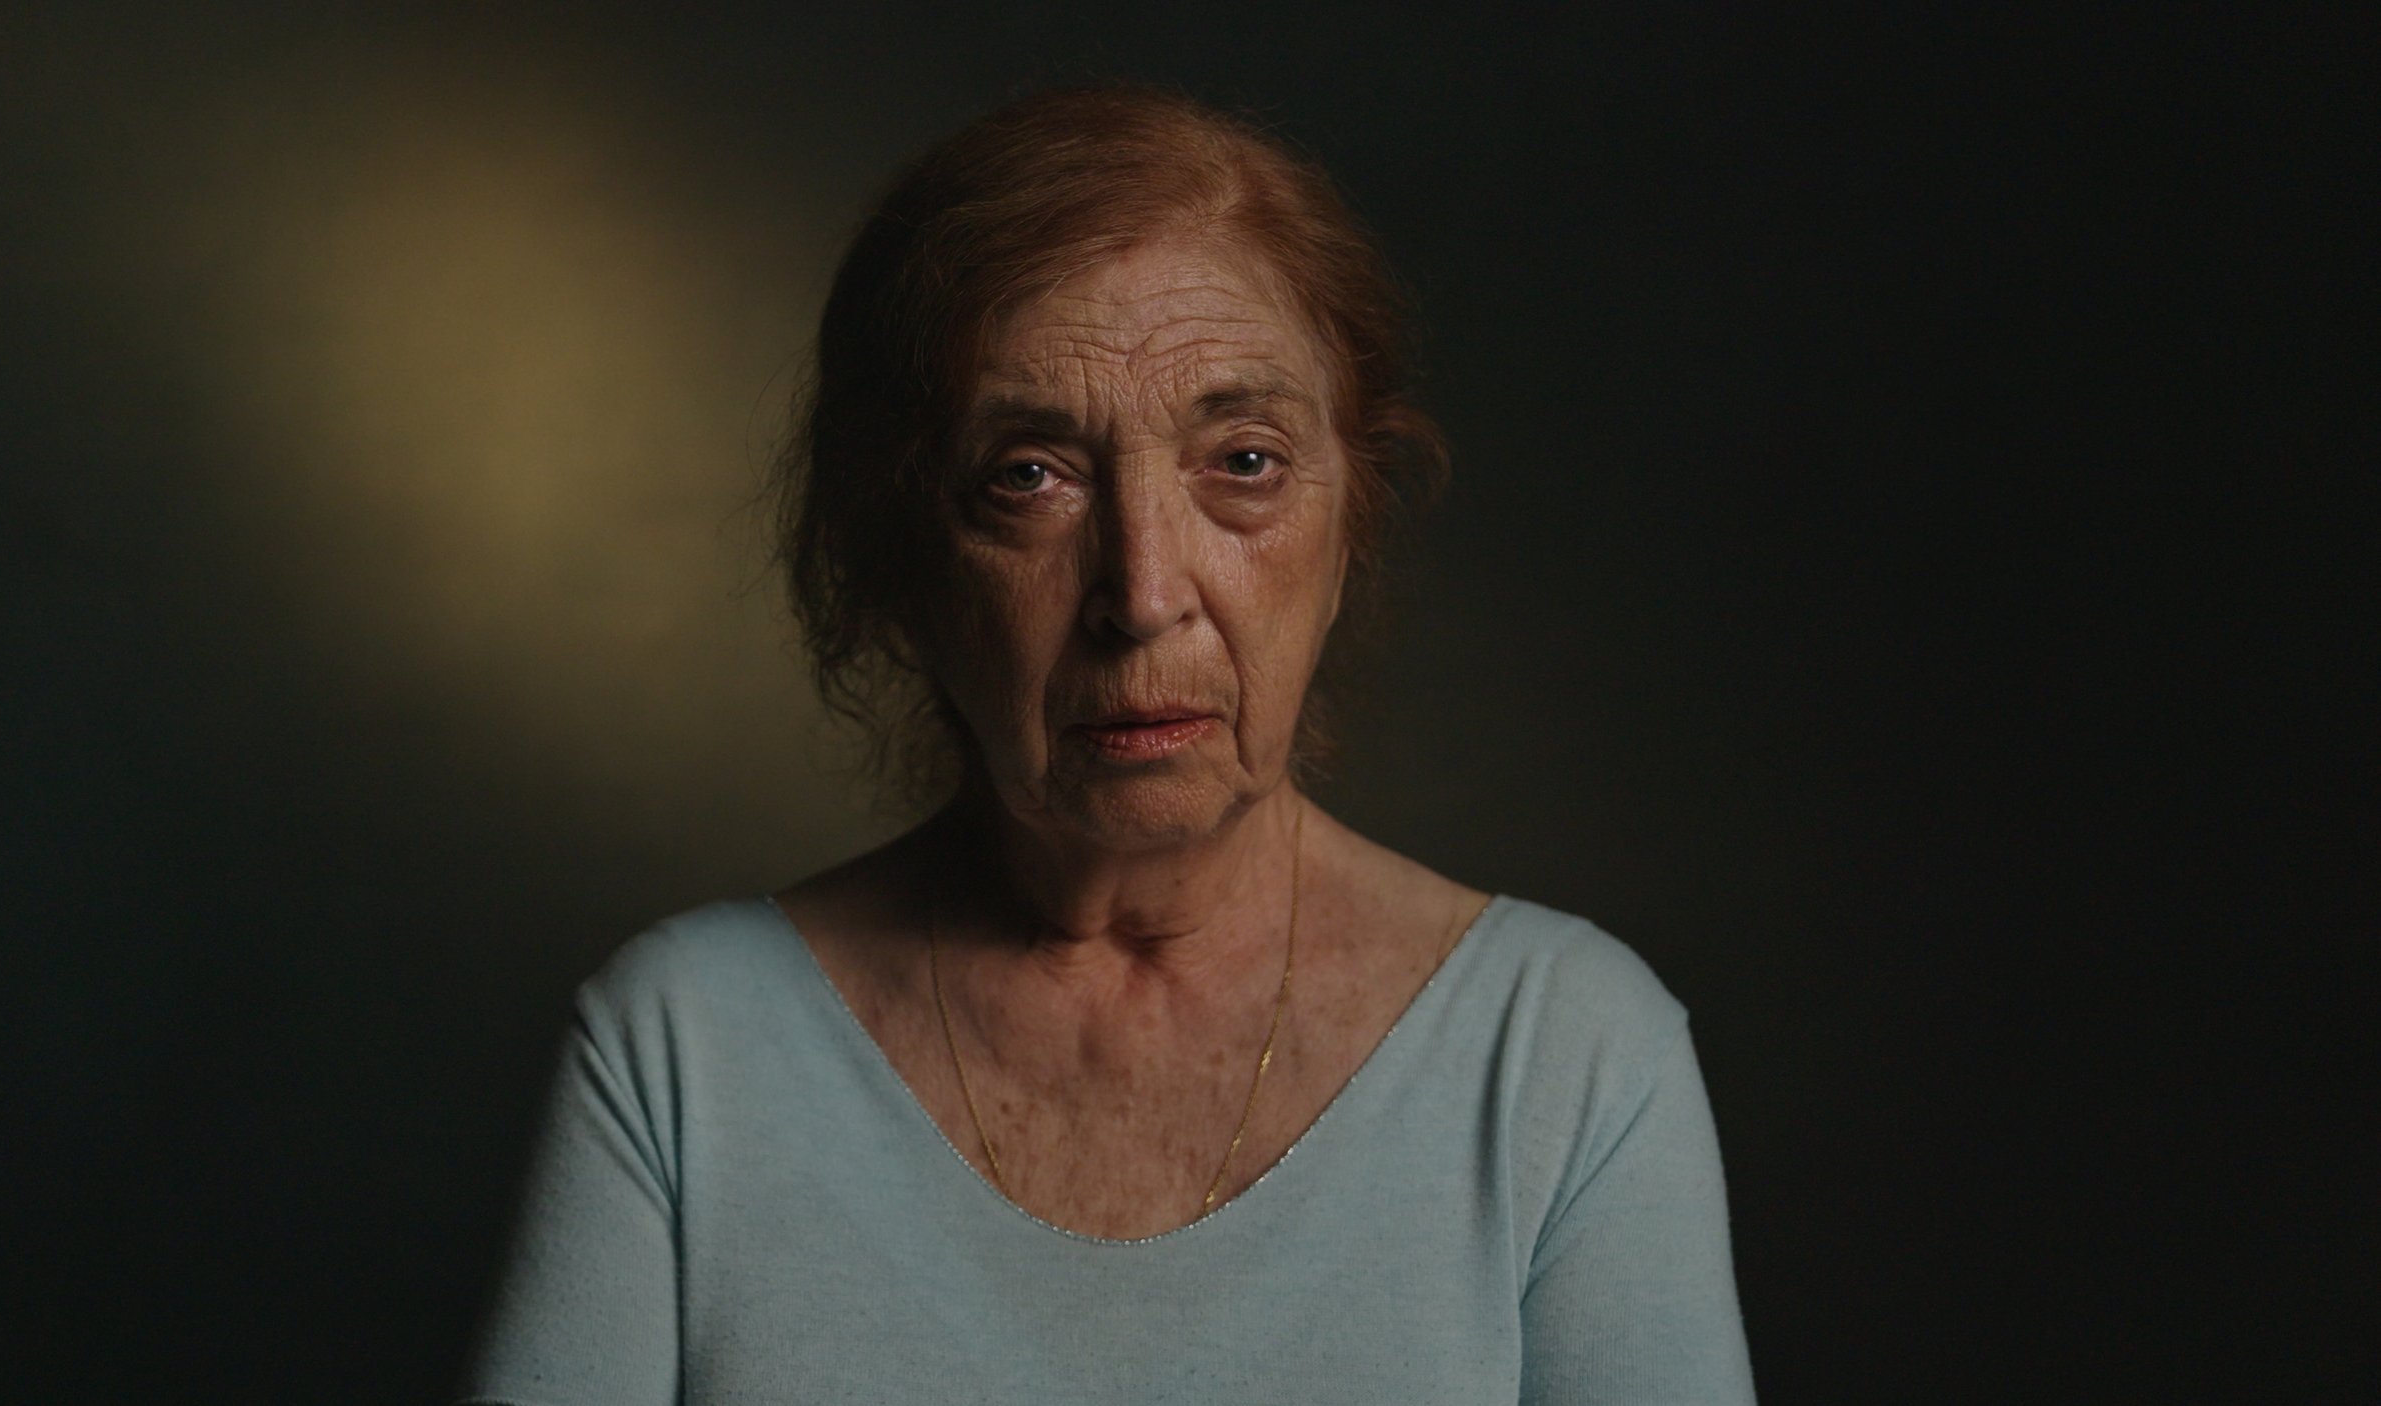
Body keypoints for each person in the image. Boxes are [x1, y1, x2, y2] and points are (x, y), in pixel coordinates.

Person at [458, 85, 1755, 1405]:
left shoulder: (1564, 1058)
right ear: (897, 552)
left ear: (1352, 513)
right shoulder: (687, 1048)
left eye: (1241, 460)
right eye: (1028, 475)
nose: (1142, 592)